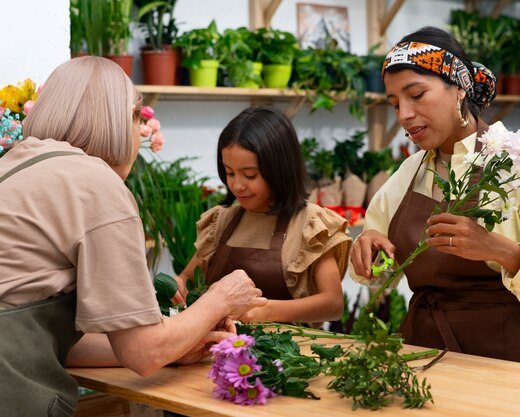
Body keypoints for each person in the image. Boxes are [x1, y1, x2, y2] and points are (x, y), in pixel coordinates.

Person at [0, 56, 267, 416]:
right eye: (137, 119)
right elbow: (143, 354)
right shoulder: (94, 183)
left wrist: (176, 345)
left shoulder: (15, 165)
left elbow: (54, 342)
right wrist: (220, 299)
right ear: (122, 119)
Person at [350, 27, 520, 368]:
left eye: (416, 95)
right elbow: (385, 269)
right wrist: (372, 251)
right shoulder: (408, 173)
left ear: (460, 87)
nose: (404, 114)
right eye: (394, 104)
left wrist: (502, 251)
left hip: (507, 358)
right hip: (422, 355)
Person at [174, 106, 351, 325]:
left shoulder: (310, 225)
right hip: (223, 352)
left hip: (291, 354)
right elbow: (185, 278)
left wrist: (266, 311)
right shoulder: (222, 221)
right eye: (229, 172)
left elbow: (333, 305)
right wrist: (177, 285)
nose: (237, 185)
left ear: (279, 170)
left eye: (250, 175)